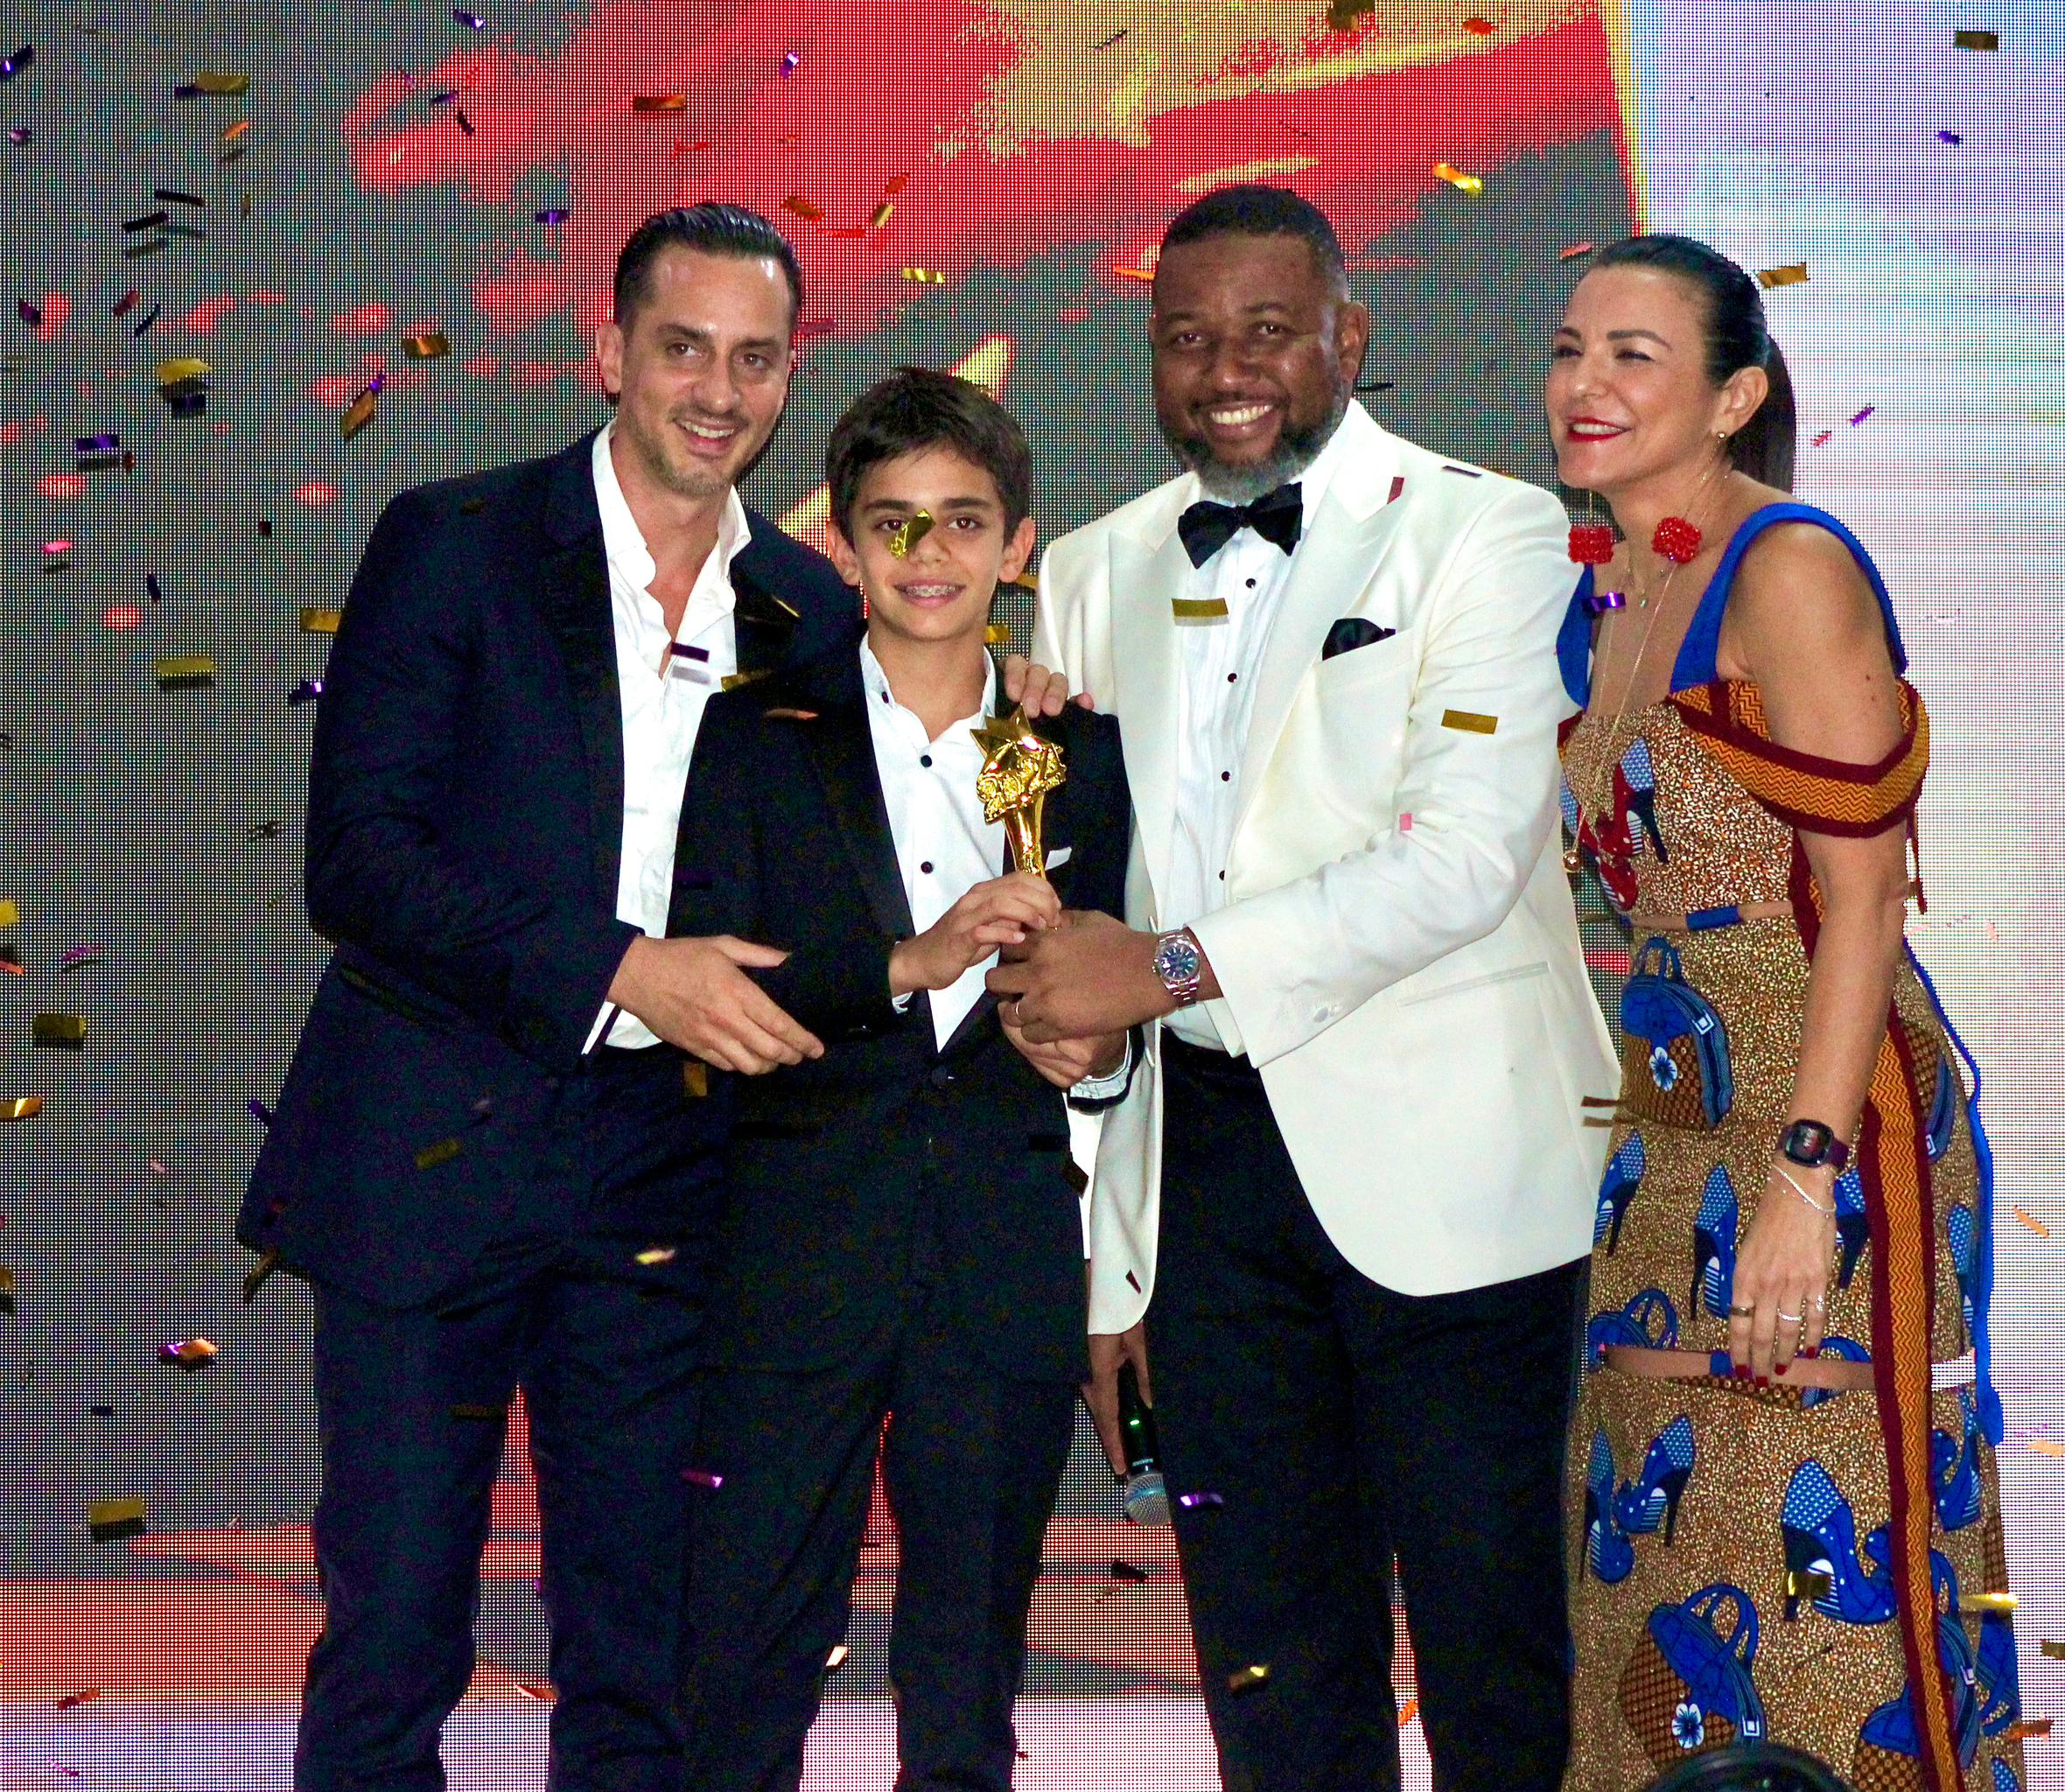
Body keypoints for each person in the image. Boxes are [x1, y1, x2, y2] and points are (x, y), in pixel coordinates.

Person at [986, 184, 1619, 1790]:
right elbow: (1082, 921)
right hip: (1201, 1179)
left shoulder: (1488, 528)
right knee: (1266, 1654)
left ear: (1350, 335)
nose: (1226, 372)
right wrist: (1113, 1268)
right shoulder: (1091, 571)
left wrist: (1164, 969)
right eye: (1187, 338)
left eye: (1268, 331)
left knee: (1494, 1649)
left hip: (1457, 1167)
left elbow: (1463, 859)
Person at [238, 202, 862, 1792]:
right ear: (609, 353)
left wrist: (1025, 704)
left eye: (755, 359)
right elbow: (357, 860)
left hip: (671, 1171)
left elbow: (856, 865)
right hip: (426, 1154)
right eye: (684, 348)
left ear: (789, 377)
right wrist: (619, 969)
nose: (718, 391)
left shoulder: (812, 609)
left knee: (639, 1651)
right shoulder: (455, 540)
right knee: (393, 1640)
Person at [1547, 234, 2022, 1791]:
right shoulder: (1607, 583)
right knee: (1653, 1515)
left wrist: (1805, 1181)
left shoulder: (1787, 565)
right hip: (1669, 1106)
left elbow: (1866, 901)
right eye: (1570, 350)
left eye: (1633, 354)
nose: (1584, 383)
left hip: (1826, 1101)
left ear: (1736, 394)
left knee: (1818, 1506)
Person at [669, 369, 1136, 1792]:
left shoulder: (1078, 749)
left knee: (967, 1666)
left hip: (1002, 1250)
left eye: (963, 522)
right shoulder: (756, 732)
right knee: (744, 1648)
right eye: (893, 524)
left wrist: (1098, 1047)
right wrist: (910, 961)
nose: (928, 556)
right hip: (793, 1251)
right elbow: (712, 987)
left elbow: (1119, 984)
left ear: (1017, 547)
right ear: (844, 545)